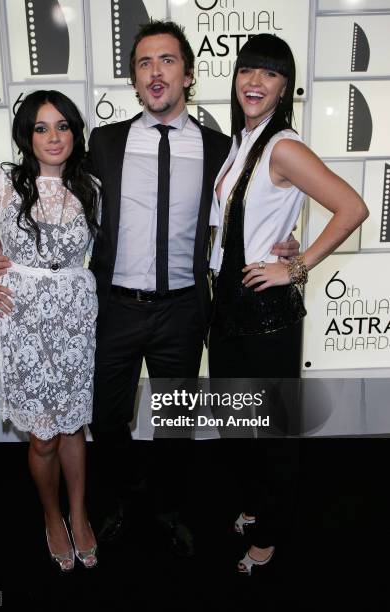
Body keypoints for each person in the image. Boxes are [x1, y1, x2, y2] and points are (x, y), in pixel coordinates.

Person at [0, 21, 298, 557]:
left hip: (183, 309)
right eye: (144, 64)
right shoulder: (103, 144)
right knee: (109, 422)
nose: (156, 73)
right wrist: (10, 252)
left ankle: (167, 507)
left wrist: (287, 245)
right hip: (113, 310)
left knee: (175, 425)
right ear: (134, 80)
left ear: (189, 74)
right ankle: (121, 504)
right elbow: (54, 202)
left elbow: (256, 203)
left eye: (168, 61)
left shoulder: (221, 147)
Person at [208, 34, 369, 575]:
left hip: (265, 310)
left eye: (270, 73)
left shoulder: (283, 146)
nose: (255, 81)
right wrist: (286, 239)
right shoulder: (243, 141)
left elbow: (352, 207)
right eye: (247, 70)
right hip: (226, 304)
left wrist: (295, 266)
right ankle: (257, 505)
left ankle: (272, 532)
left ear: (284, 88)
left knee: (273, 431)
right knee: (239, 424)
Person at [0, 90, 100, 572]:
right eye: (41, 127)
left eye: (62, 126)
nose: (53, 137)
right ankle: (51, 516)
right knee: (43, 437)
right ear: (26, 135)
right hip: (24, 321)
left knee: (75, 425)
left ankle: (79, 514)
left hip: (75, 316)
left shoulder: (91, 185)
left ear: (75, 133)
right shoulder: (2, 182)